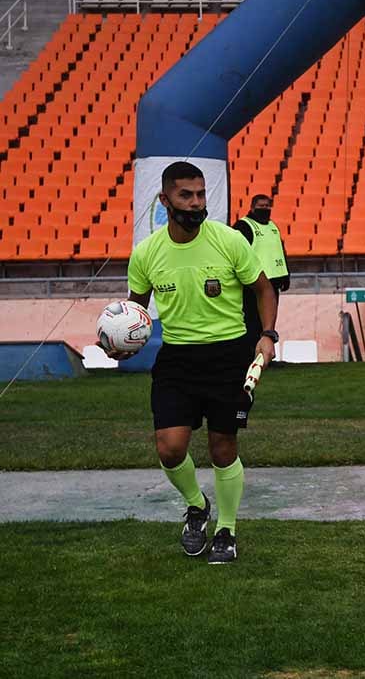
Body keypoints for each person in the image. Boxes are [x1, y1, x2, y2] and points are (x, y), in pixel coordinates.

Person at [109, 161, 278, 564]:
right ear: (165, 199)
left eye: (201, 194)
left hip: (229, 355)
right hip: (177, 358)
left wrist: (267, 335)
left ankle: (227, 530)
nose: (196, 202)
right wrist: (122, 342)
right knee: (169, 448)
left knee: (223, 447)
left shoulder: (229, 241)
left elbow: (263, 288)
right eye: (186, 195)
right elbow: (137, 313)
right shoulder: (147, 253)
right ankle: (196, 505)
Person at [233, 194, 289, 349]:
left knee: (268, 321)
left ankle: (266, 354)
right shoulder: (243, 226)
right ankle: (252, 353)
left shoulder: (272, 226)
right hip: (253, 281)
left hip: (273, 280)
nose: (265, 209)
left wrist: (285, 275)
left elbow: (280, 251)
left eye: (267, 206)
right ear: (252, 207)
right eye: (261, 206)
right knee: (253, 320)